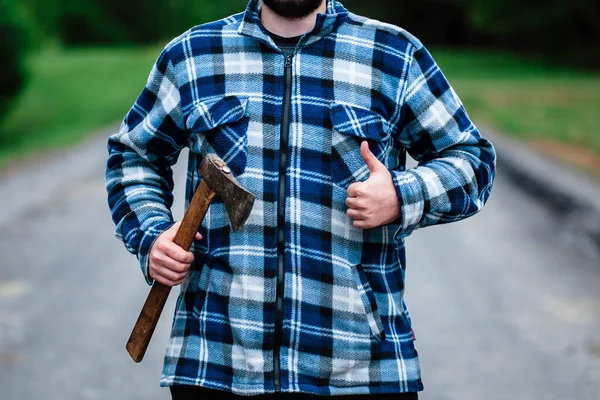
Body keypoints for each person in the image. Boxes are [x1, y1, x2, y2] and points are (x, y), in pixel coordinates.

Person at [105, 0, 496, 398]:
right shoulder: (192, 55)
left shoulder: (393, 54)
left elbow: (472, 160)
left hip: (362, 370)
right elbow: (133, 156)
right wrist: (151, 235)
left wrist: (401, 193)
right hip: (216, 363)